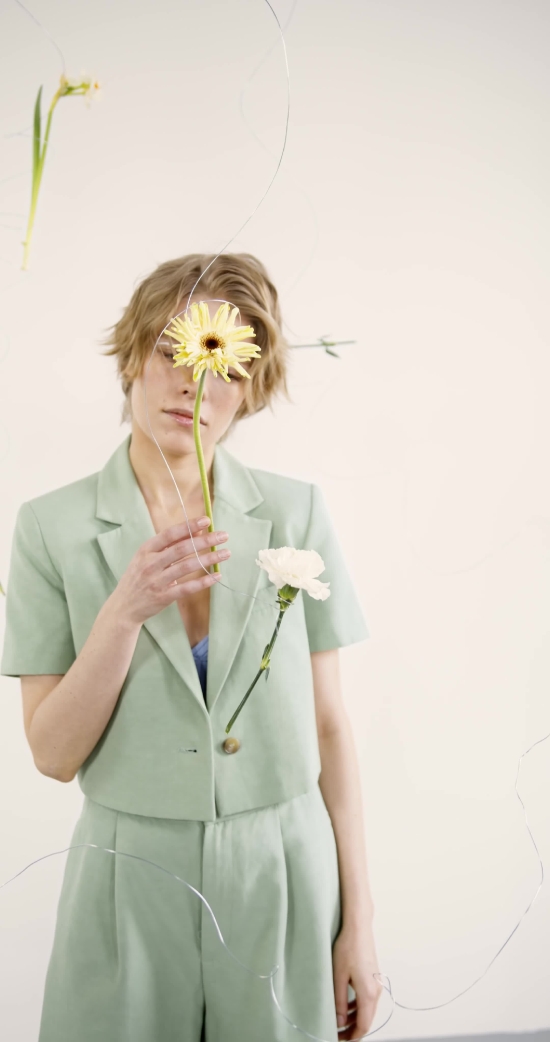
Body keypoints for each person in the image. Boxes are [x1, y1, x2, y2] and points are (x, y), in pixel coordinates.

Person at [0, 252, 382, 1041]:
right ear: (131, 358)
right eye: (174, 352)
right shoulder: (49, 528)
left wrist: (361, 923)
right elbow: (51, 754)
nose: (195, 384)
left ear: (253, 387)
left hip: (283, 869)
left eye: (227, 367)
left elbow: (330, 727)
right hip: (126, 873)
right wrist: (123, 614)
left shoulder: (297, 512)